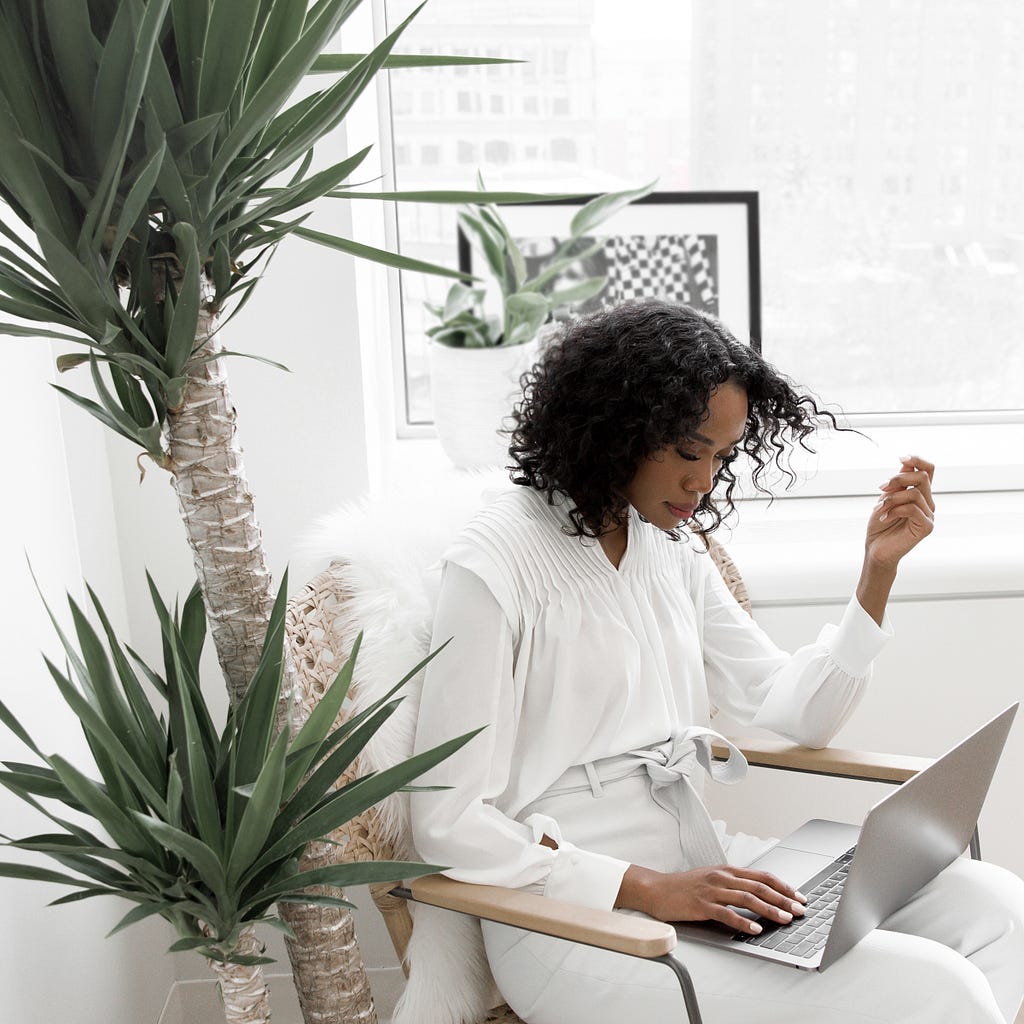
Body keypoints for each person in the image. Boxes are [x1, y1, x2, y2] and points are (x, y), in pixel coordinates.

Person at [409, 301, 1024, 1024]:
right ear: (618, 428)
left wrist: (876, 574)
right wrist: (646, 888)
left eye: (721, 456)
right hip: (571, 923)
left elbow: (796, 713)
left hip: (703, 870)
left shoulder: (671, 550)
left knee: (998, 909)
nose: (703, 482)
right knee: (935, 987)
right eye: (688, 450)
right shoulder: (494, 564)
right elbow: (446, 822)